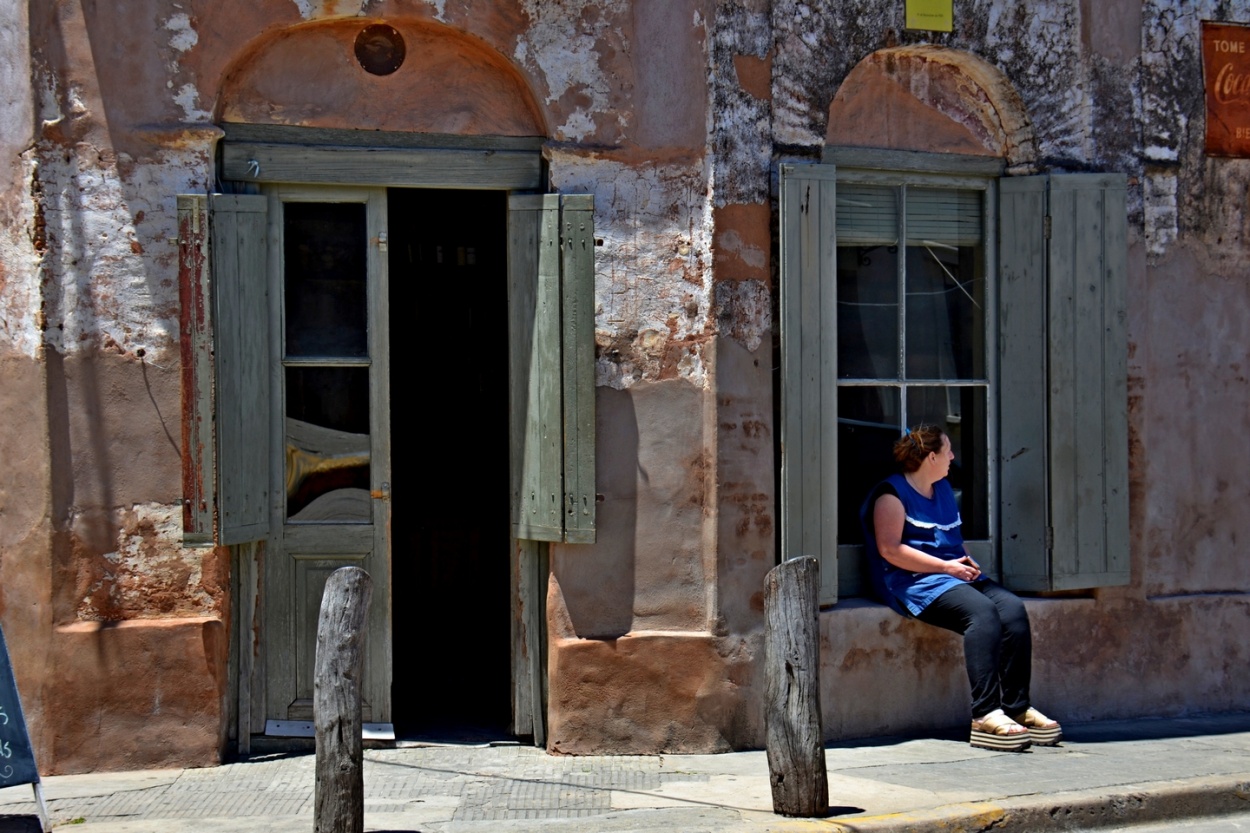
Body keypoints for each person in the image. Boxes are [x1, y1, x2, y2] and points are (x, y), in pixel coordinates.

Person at [859, 424, 1061, 752]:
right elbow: (890, 550)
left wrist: (963, 558)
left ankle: (1016, 708)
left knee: (1011, 610)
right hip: (915, 582)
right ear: (931, 456)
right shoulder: (891, 495)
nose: (953, 456)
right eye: (948, 451)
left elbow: (948, 536)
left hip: (952, 573)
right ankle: (984, 715)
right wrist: (945, 566)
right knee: (981, 613)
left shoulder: (942, 488)